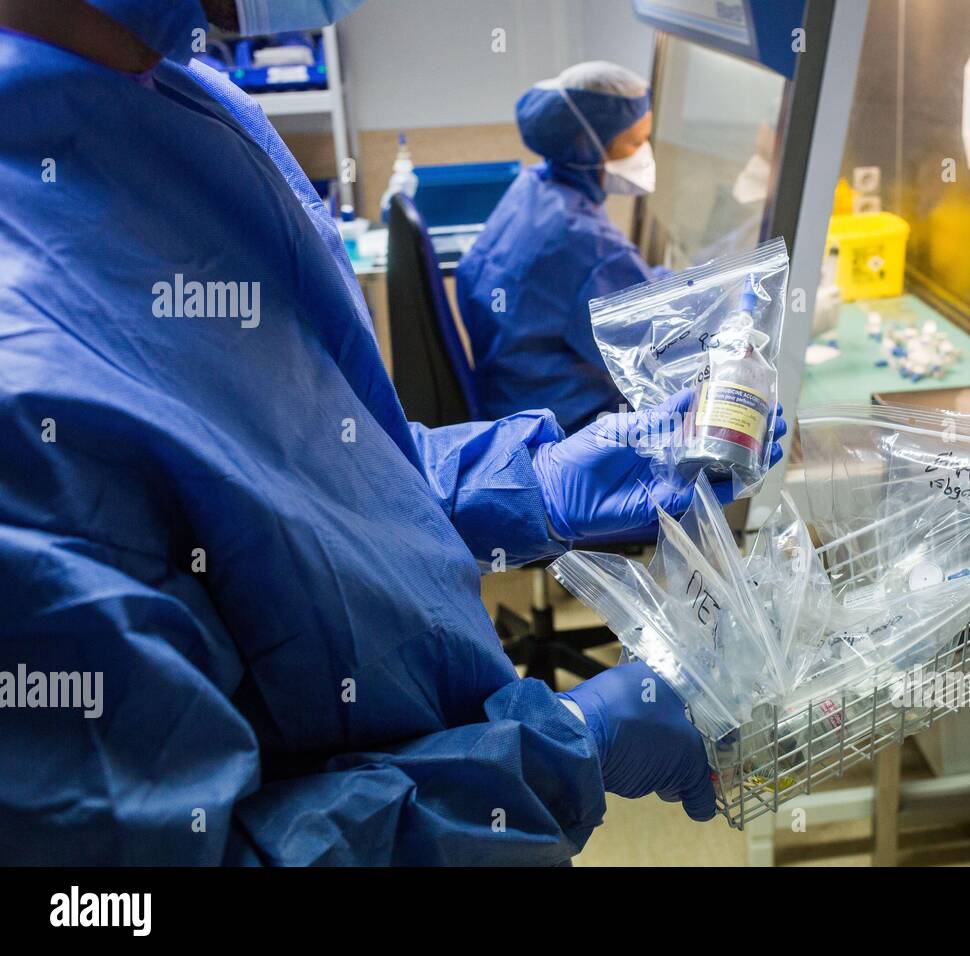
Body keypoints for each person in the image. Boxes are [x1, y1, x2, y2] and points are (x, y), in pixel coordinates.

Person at [0, 0, 783, 865]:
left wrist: (530, 481)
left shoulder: (174, 103)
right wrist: (563, 748)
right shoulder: (25, 396)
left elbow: (302, 474)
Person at [456, 61, 666, 433]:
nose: (644, 152)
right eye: (634, 141)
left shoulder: (532, 188)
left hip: (509, 396)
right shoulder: (589, 246)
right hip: (559, 427)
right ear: (588, 143)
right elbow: (654, 356)